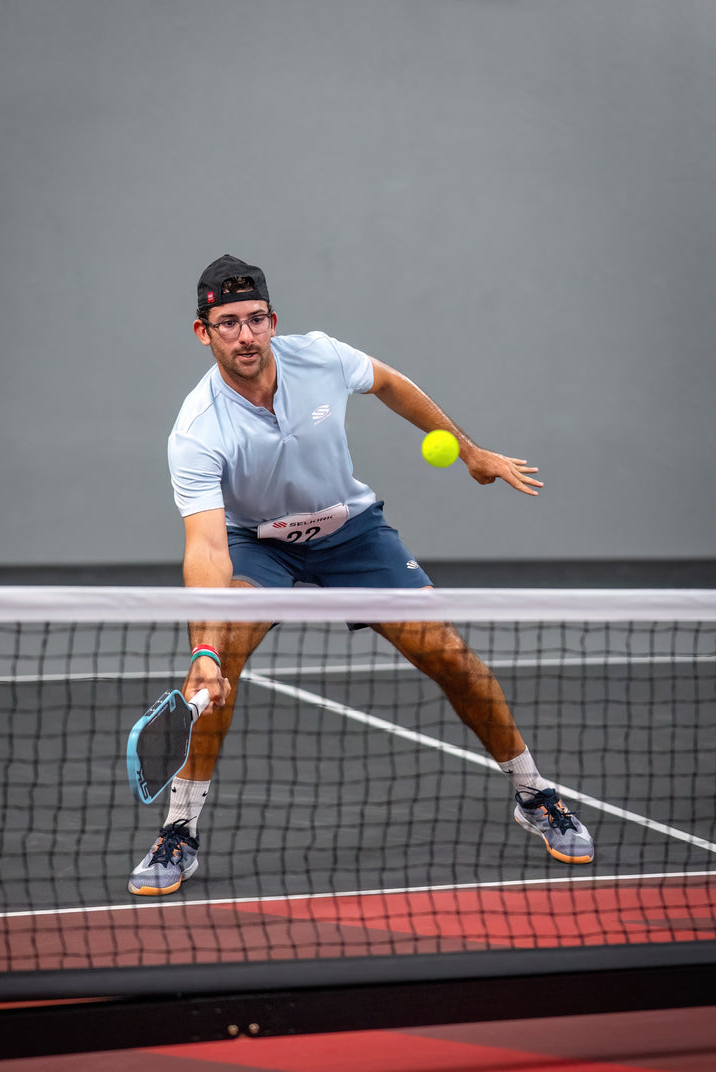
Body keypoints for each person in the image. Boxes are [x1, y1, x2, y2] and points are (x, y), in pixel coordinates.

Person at [128, 254, 594, 895]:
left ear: (272, 322)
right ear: (203, 332)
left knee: (450, 655)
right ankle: (179, 829)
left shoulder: (319, 355)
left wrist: (468, 449)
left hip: (350, 532)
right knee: (215, 672)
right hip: (260, 544)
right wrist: (205, 648)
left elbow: (392, 384)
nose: (245, 335)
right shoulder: (197, 429)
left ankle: (532, 791)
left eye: (255, 319)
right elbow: (207, 548)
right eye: (228, 322)